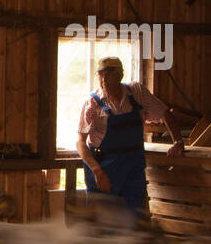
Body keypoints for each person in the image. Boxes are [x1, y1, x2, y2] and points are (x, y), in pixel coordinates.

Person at [76, 56, 185, 216]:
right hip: (105, 169)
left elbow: (165, 113)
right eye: (101, 74)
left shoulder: (137, 92)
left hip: (133, 169)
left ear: (120, 75)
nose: (104, 79)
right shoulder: (92, 103)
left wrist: (178, 142)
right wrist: (97, 172)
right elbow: (80, 142)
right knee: (103, 220)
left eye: (109, 74)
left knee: (133, 218)